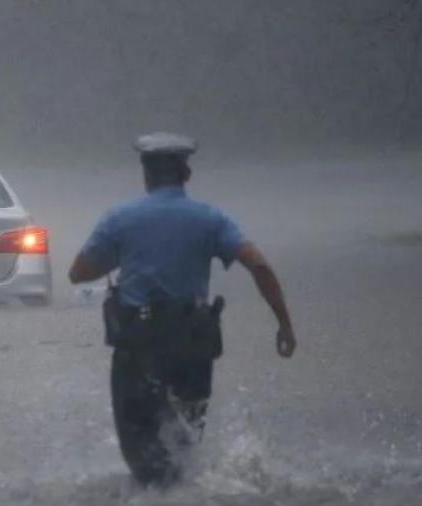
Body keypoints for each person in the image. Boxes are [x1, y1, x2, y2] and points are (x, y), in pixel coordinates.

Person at [68, 132, 296, 486]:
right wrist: (284, 325)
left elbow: (78, 273)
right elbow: (260, 266)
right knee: (184, 446)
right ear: (185, 174)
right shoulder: (211, 219)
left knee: (141, 456)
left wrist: (122, 255)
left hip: (137, 347)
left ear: (145, 176)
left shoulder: (120, 218)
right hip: (193, 344)